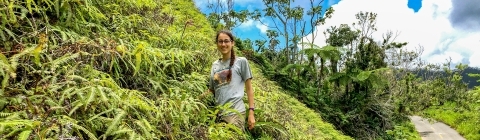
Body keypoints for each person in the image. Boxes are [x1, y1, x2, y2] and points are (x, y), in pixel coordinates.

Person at [201, 30, 255, 131]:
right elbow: (212, 90)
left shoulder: (241, 62)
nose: (223, 44)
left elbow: (249, 89)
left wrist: (251, 112)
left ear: (232, 43)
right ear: (217, 44)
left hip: (236, 114)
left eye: (226, 41)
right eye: (220, 41)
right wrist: (197, 99)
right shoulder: (215, 65)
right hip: (219, 115)